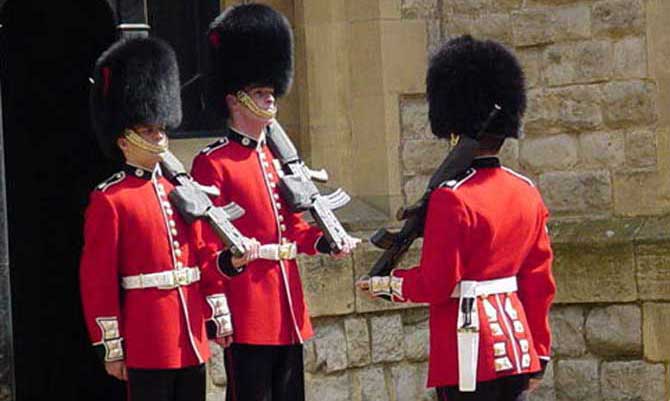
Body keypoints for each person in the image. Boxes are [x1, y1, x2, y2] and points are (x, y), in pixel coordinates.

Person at [358, 35, 556, 401]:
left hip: (469, 353)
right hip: (517, 349)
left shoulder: (453, 198)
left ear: (453, 129)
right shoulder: (526, 191)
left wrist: (387, 285)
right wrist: (538, 352)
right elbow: (539, 284)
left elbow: (437, 284)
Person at [191, 4, 358, 401]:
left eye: (271, 92)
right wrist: (223, 288)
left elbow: (292, 228)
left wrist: (324, 241)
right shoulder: (212, 163)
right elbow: (205, 245)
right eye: (260, 93)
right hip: (248, 306)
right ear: (235, 100)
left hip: (288, 307)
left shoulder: (277, 159)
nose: (270, 101)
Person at [79, 36, 234, 401]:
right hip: (148, 338)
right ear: (124, 140)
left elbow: (203, 256)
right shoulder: (110, 199)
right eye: (149, 131)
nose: (160, 137)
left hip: (191, 331)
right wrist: (111, 344)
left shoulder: (180, 191)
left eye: (161, 129)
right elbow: (98, 279)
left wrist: (217, 313)